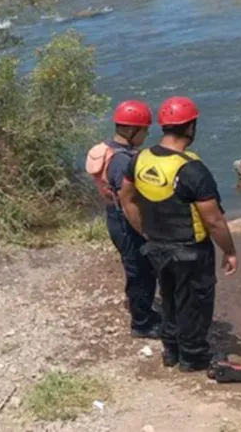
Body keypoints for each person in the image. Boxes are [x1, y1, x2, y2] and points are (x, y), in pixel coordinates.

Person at [117, 96, 238, 373]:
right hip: (190, 249)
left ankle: (171, 350)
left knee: (169, 297)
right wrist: (229, 251)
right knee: (194, 302)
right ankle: (193, 358)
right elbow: (213, 220)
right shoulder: (192, 169)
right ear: (191, 127)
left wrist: (145, 231)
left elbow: (127, 199)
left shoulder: (140, 159)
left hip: (156, 246)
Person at [85, 100, 162, 338]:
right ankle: (142, 324)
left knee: (136, 266)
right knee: (141, 271)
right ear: (131, 130)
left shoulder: (109, 149)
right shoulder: (123, 162)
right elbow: (129, 202)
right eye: (144, 130)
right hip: (126, 221)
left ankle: (144, 310)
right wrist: (146, 232)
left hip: (114, 216)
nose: (146, 135)